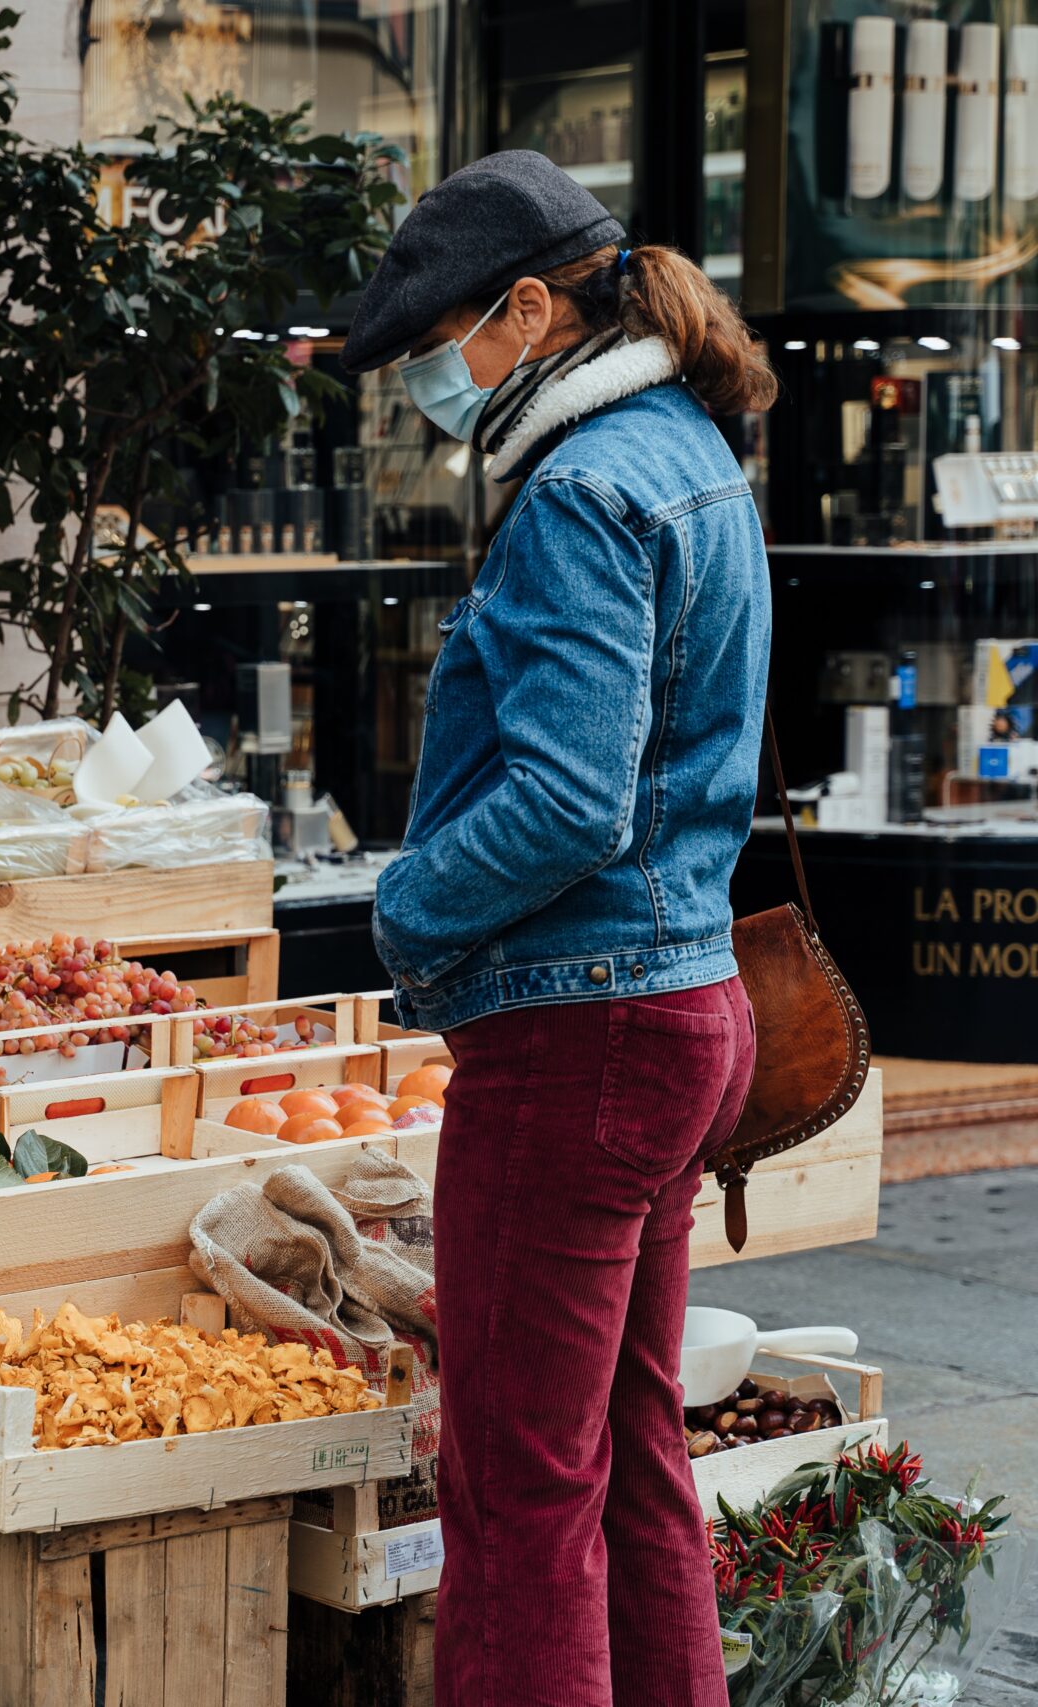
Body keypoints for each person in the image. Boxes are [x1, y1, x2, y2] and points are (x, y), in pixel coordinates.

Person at [340, 151, 776, 1707]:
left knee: (518, 1491)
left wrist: (401, 906)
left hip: (580, 1035)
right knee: (633, 1452)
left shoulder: (585, 490)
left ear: (529, 309)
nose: (428, 388)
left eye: (437, 346)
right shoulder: (693, 452)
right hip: (679, 1007)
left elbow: (570, 802)